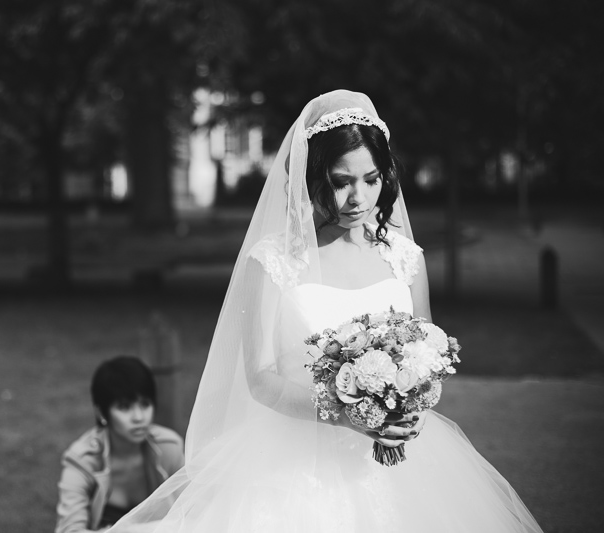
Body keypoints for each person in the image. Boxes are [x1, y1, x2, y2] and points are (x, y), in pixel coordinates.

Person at [106, 90, 543, 532]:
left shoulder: (405, 258)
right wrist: (351, 417)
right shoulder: (272, 261)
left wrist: (410, 411)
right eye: (340, 181)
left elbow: (426, 356)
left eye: (371, 179)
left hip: (406, 468)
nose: (359, 197)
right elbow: (260, 378)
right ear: (311, 179)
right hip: (295, 469)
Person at [55, 356, 184, 533]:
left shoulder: (169, 447)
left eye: (145, 404)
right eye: (124, 407)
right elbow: (69, 530)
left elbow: (193, 511)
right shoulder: (82, 460)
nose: (139, 417)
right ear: (102, 412)